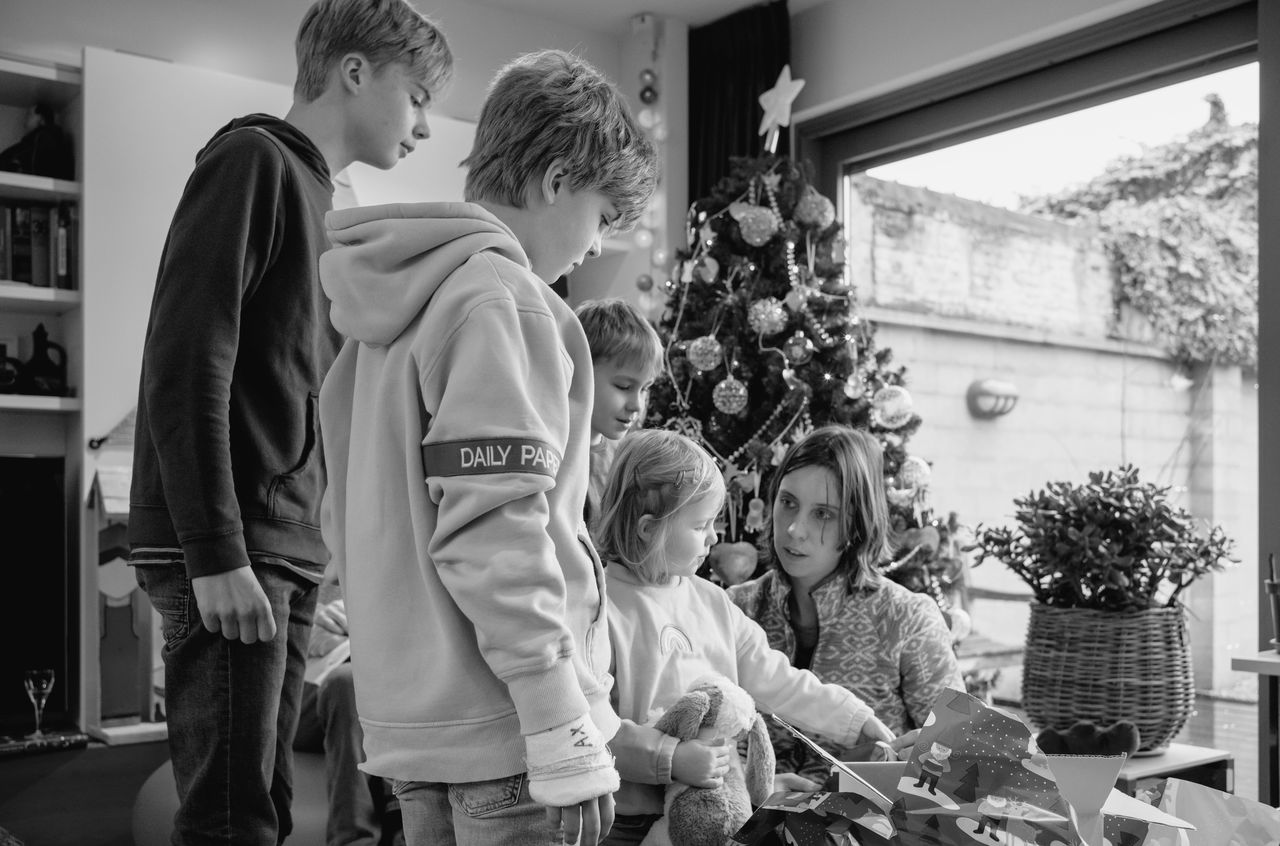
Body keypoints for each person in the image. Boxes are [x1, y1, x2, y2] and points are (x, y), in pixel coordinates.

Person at [126, 2, 451, 844]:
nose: (424, 126)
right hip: (240, 548)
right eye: (417, 97)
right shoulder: (253, 161)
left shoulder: (327, 203)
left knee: (260, 812)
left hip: (284, 548)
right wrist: (216, 551)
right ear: (354, 72)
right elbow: (185, 359)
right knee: (231, 820)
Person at [318, 49, 657, 846]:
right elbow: (497, 525)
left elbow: (347, 515)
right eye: (603, 216)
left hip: (413, 722)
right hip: (506, 724)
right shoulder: (504, 302)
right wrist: (556, 714)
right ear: (555, 179)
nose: (595, 247)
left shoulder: (390, 311)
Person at [595, 429, 899, 845]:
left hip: (715, 809)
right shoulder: (602, 608)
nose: (715, 538)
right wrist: (670, 759)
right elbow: (595, 726)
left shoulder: (713, 602)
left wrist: (855, 720)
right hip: (625, 824)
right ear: (650, 529)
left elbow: (777, 678)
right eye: (701, 525)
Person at [728, 425, 964, 790]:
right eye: (788, 502)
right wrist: (754, 786)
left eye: (823, 514)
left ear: (856, 523)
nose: (794, 529)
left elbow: (974, 761)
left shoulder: (907, 617)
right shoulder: (734, 609)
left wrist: (939, 755)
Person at [293, 568, 403, 846]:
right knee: (350, 681)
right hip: (311, 693)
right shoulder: (303, 558)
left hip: (385, 687)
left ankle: (404, 820)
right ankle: (356, 837)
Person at [572, 297, 663, 529]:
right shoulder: (552, 453)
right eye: (624, 387)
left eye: (645, 389)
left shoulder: (625, 459)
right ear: (577, 371)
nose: (638, 405)